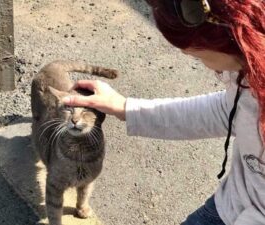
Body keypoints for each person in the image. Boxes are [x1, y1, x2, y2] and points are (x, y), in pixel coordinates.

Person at [63, 0, 265, 224]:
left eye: (198, 56)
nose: (207, 67)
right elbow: (230, 112)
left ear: (234, 35)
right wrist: (124, 107)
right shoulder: (249, 71)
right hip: (231, 202)